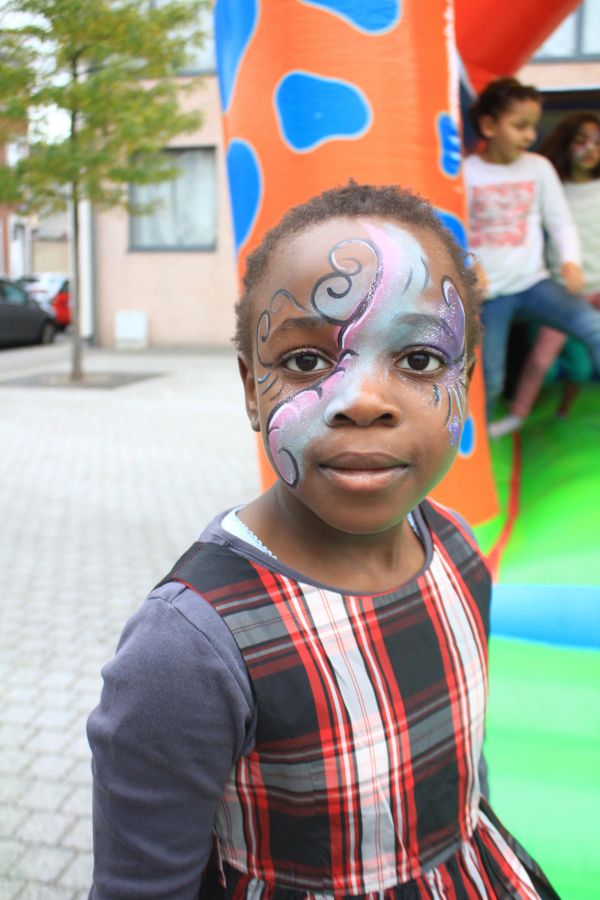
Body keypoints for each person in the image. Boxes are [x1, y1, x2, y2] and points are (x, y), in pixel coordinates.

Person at [87, 181, 558, 898]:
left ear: (464, 381)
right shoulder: (187, 651)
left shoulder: (460, 555)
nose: (364, 401)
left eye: (421, 361)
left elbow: (463, 779)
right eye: (307, 362)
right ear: (251, 389)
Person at [462, 76, 600, 429]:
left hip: (535, 283)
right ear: (489, 125)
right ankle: (481, 446)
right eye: (520, 126)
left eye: (532, 127)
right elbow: (454, 230)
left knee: (593, 328)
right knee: (490, 377)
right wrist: (470, 265)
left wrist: (570, 260)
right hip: (492, 294)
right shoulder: (468, 173)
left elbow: (560, 221)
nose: (529, 135)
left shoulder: (538, 167)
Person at [492, 112, 600, 435]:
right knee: (541, 360)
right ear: (566, 146)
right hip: (566, 290)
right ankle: (518, 414)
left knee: (584, 359)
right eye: (581, 141)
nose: (589, 150)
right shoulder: (553, 187)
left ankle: (565, 409)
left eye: (597, 143)